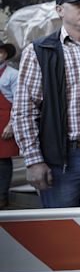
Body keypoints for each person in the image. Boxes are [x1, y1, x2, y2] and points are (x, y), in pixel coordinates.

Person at [12, 0, 80, 208]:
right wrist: (34, 160)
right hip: (64, 161)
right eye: (77, 4)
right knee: (63, 234)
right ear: (59, 10)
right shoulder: (40, 51)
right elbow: (25, 110)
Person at [0, 41, 19, 209]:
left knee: (3, 160)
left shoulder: (12, 74)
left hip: (4, 122)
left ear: (4, 54)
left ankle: (2, 197)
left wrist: (11, 125)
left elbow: (19, 101)